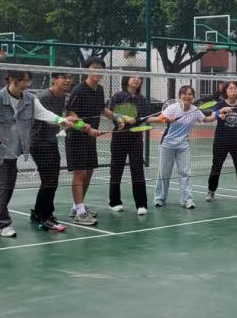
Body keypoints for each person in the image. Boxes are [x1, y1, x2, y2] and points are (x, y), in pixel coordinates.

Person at [0, 71, 79, 237]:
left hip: (12, 153)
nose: (26, 85)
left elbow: (43, 113)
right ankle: (1, 225)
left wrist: (61, 120)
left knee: (7, 189)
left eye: (28, 81)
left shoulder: (30, 99)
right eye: (23, 81)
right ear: (11, 80)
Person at [65, 57, 128, 226]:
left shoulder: (99, 89)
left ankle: (77, 207)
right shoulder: (78, 90)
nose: (98, 71)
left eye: (100, 68)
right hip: (76, 137)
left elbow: (102, 109)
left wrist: (116, 117)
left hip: (90, 138)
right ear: (87, 70)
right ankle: (80, 213)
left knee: (89, 172)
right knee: (80, 174)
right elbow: (70, 115)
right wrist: (88, 129)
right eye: (94, 67)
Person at [154, 85, 222, 208]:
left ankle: (187, 200)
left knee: (185, 172)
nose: (187, 96)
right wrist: (167, 119)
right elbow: (160, 118)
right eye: (184, 94)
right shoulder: (173, 108)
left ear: (193, 97)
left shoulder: (195, 110)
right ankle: (160, 198)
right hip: (167, 144)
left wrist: (217, 114)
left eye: (190, 94)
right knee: (164, 173)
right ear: (180, 96)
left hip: (183, 144)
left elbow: (206, 119)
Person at [29, 72, 79, 232]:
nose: (68, 80)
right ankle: (46, 216)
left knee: (49, 180)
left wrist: (76, 123)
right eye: (64, 77)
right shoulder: (44, 97)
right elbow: (48, 120)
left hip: (50, 142)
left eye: (70, 78)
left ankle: (38, 212)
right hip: (39, 143)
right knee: (50, 180)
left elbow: (60, 120)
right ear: (55, 79)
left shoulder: (62, 96)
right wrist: (65, 121)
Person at [108, 75, 151, 215]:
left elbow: (146, 117)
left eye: (139, 78)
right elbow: (111, 113)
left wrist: (162, 118)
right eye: (133, 77)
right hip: (119, 136)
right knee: (116, 170)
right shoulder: (118, 96)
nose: (137, 79)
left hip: (136, 138)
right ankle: (114, 202)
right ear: (127, 79)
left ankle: (141, 204)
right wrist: (123, 118)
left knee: (137, 170)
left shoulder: (142, 99)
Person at [206, 81, 237, 203]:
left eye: (235, 88)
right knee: (216, 166)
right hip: (221, 141)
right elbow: (212, 116)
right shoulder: (220, 104)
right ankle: (211, 191)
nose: (233, 90)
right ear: (225, 91)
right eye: (230, 88)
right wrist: (220, 113)